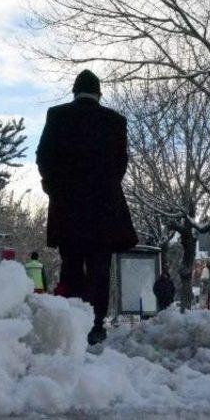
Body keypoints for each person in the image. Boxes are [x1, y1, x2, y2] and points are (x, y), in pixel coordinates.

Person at [36, 69, 138, 346]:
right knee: (99, 268)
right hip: (104, 210)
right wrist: (105, 188)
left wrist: (52, 187)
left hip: (67, 208)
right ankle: (95, 324)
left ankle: (73, 321)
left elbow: (44, 155)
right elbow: (120, 162)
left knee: (71, 264)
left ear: (74, 90)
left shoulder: (57, 116)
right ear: (99, 93)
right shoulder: (115, 121)